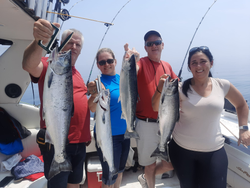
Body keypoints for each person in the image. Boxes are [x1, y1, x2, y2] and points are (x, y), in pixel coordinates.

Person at [152, 46, 250, 188]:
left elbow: (241, 105)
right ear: (189, 67)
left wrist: (243, 128)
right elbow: (156, 107)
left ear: (211, 62)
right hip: (182, 150)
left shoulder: (222, 85)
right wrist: (160, 87)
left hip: (214, 151)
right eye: (194, 62)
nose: (199, 66)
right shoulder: (178, 88)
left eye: (203, 61)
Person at [22, 19, 91, 188]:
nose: (73, 47)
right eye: (69, 43)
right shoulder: (49, 64)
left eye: (77, 45)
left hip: (79, 143)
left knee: (74, 184)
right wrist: (40, 42)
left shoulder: (78, 74)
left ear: (81, 50)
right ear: (60, 44)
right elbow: (28, 65)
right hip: (56, 142)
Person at [125, 30, 176, 188]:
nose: (154, 45)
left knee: (171, 163)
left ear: (162, 45)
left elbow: (177, 87)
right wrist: (131, 60)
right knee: (150, 164)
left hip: (166, 122)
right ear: (145, 47)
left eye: (157, 42)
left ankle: (145, 176)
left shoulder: (167, 65)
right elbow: (133, 71)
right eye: (149, 43)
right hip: (145, 123)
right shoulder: (141, 63)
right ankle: (149, 181)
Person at [87, 48, 130, 188]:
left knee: (120, 170)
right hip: (108, 137)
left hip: (125, 133)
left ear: (115, 62)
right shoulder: (98, 83)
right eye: (102, 62)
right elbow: (92, 108)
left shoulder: (122, 79)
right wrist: (94, 95)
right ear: (98, 65)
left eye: (110, 61)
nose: (107, 64)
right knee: (109, 174)